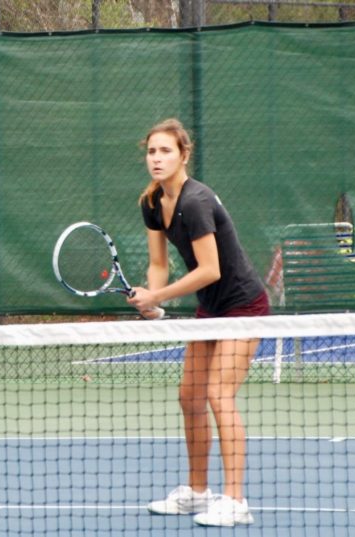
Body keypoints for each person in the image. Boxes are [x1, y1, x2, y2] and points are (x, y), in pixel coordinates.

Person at [127, 119, 268, 527]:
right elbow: (158, 264)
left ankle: (236, 501)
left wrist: (160, 295)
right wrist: (151, 302)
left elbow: (210, 269)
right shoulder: (151, 202)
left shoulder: (196, 201)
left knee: (218, 395)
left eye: (166, 151)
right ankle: (197, 492)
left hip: (243, 305)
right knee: (189, 397)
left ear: (183, 155)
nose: (157, 158)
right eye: (152, 151)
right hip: (210, 309)